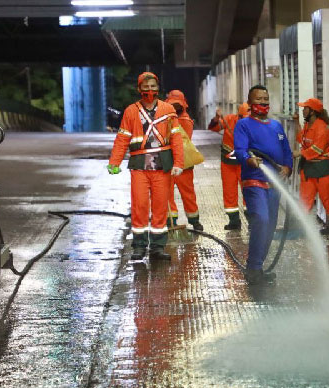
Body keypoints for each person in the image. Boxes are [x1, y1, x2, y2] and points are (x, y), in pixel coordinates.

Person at [107, 72, 184, 261]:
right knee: (140, 205)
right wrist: (114, 162)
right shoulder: (131, 111)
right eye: (146, 87)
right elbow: (122, 138)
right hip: (139, 167)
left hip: (162, 166)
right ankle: (139, 246)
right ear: (139, 89)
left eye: (153, 87)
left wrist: (179, 163)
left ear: (158, 88)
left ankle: (157, 247)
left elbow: (176, 138)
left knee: (160, 207)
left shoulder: (167, 109)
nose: (150, 91)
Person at [233, 84, 293, 285]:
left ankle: (257, 267)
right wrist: (248, 159)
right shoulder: (243, 125)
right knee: (261, 218)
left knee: (270, 226)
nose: (263, 102)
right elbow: (240, 149)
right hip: (254, 181)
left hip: (274, 185)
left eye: (266, 99)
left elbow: (286, 151)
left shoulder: (276, 126)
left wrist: (287, 167)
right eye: (258, 99)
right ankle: (253, 268)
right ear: (250, 103)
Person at [294, 98, 329, 236]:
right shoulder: (308, 125)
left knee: (327, 197)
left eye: (305, 108)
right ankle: (300, 227)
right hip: (309, 168)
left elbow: (317, 150)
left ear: (312, 111)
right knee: (305, 198)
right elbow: (300, 138)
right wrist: (297, 122)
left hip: (323, 169)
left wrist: (299, 153)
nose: (303, 110)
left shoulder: (322, 128)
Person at [165, 89, 202, 231]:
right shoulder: (165, 118)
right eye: (173, 105)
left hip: (183, 163)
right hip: (168, 163)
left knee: (187, 193)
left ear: (183, 105)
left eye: (177, 105)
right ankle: (170, 221)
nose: (175, 107)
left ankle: (194, 221)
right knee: (166, 193)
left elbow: (180, 141)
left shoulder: (185, 121)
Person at [208, 103, 250, 230]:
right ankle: (234, 221)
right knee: (229, 192)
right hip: (228, 163)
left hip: (245, 163)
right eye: (243, 118)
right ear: (239, 115)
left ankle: (252, 220)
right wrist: (216, 119)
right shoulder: (229, 120)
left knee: (249, 191)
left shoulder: (255, 124)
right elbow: (214, 128)